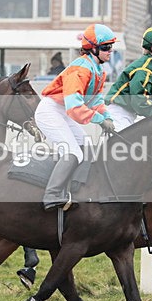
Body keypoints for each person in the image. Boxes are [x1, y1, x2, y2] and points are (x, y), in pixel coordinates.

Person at [35, 23, 116, 210]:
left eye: (111, 47)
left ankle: (76, 189)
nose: (110, 51)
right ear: (93, 49)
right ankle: (52, 194)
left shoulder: (98, 70)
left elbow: (95, 100)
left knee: (86, 147)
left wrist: (107, 116)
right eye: (106, 47)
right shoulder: (80, 69)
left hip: (62, 112)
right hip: (51, 112)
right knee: (73, 152)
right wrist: (100, 120)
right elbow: (74, 108)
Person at [105, 24, 152, 130]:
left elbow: (149, 100)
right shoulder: (145, 69)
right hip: (118, 113)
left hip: (129, 113)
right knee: (123, 146)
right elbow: (139, 102)